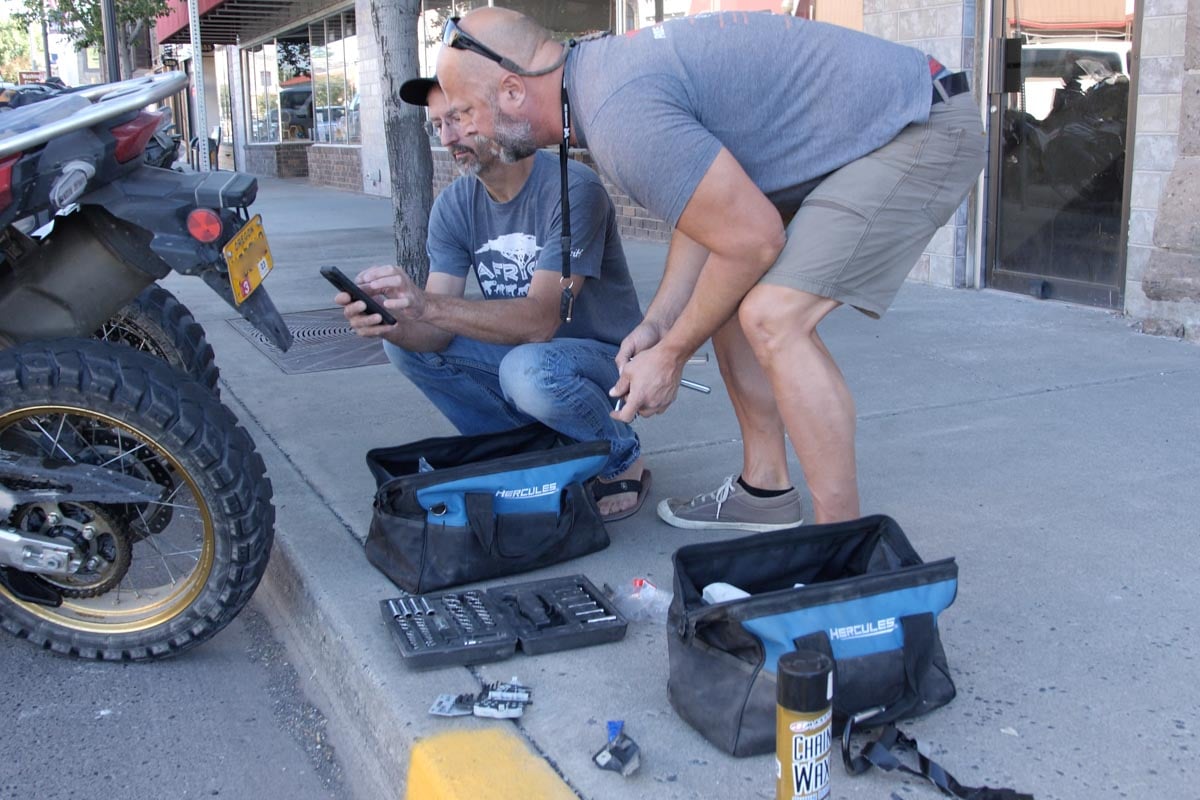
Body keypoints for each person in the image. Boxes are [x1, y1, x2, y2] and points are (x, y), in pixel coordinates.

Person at [436, 9, 986, 530]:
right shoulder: (602, 83)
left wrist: (671, 355)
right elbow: (709, 223)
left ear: (512, 91)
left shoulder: (616, 114)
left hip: (919, 124)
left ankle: (839, 546)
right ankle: (765, 491)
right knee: (725, 298)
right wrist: (658, 325)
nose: (457, 131)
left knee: (775, 316)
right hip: (870, 133)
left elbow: (752, 241)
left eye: (462, 113)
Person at [334, 77, 649, 520]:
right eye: (438, 124)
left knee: (527, 370)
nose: (447, 137)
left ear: (500, 111)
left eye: (459, 118)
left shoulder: (573, 189)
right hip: (528, 358)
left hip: (604, 360)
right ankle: (533, 451)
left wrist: (426, 305)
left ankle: (619, 454)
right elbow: (436, 332)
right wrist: (394, 319)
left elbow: (542, 320)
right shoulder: (454, 205)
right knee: (403, 348)